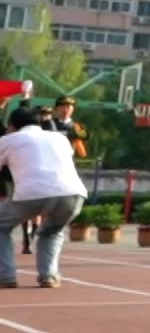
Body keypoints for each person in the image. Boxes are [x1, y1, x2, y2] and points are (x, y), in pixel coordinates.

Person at [0, 106, 88, 288]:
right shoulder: (60, 138)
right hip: (73, 193)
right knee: (52, 232)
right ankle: (49, 275)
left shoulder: (8, 140)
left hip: (32, 193)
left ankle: (5, 276)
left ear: (12, 125)